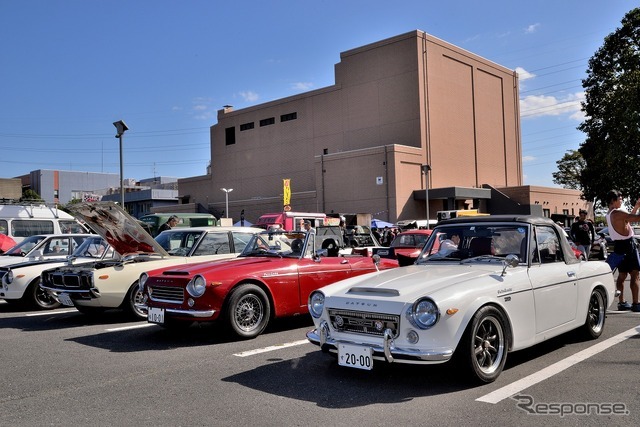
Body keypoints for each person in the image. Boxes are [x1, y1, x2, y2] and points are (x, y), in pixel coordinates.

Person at [605, 190, 640, 312]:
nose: (622, 201)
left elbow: (628, 220)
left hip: (619, 246)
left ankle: (622, 302)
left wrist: (636, 206)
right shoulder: (618, 213)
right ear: (613, 200)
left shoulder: (609, 214)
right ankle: (636, 303)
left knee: (622, 275)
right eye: (620, 199)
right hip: (628, 245)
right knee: (635, 274)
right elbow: (637, 218)